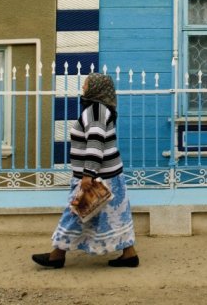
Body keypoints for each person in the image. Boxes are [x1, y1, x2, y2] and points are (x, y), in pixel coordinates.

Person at [32, 72, 139, 269]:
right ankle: (129, 255)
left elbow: (95, 144)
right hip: (109, 176)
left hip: (97, 178)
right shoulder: (101, 109)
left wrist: (88, 174)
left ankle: (57, 256)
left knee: (75, 213)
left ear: (96, 87)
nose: (83, 87)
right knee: (116, 216)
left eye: (87, 84)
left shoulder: (96, 111)